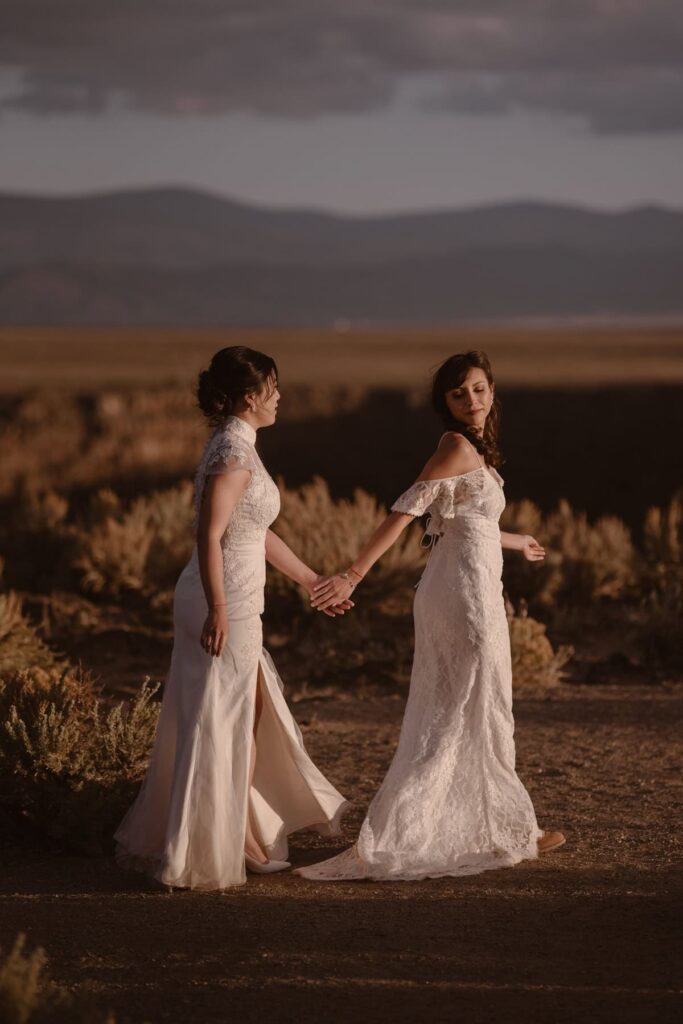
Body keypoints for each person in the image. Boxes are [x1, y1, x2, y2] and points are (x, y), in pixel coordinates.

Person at [295, 350, 565, 881]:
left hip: (474, 584)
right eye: (459, 392)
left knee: (480, 701)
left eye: (479, 388)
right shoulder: (455, 446)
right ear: (445, 402)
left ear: (493, 392)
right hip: (461, 595)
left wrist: (516, 541)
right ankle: (413, 834)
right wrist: (353, 574)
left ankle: (504, 825)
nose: (472, 400)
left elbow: (459, 522)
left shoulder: (476, 452)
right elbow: (405, 512)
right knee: (464, 703)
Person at [115, 346, 350, 889]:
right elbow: (209, 535)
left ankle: (236, 833)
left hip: (238, 596)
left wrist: (312, 580)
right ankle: (217, 843)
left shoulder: (239, 445)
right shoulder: (231, 451)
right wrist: (219, 608)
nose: (279, 398)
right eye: (273, 389)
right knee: (226, 717)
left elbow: (257, 531)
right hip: (223, 600)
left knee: (242, 715)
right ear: (251, 397)